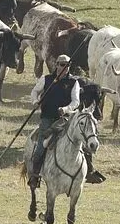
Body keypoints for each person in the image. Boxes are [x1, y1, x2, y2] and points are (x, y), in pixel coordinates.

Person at [28, 54, 81, 188]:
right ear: (56, 64)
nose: (63, 67)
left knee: (81, 141)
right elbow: (34, 92)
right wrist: (35, 102)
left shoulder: (74, 82)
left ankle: (87, 170)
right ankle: (35, 175)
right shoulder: (46, 79)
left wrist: (66, 108)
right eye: (61, 64)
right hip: (47, 118)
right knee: (41, 147)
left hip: (65, 120)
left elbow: (76, 101)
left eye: (66, 65)